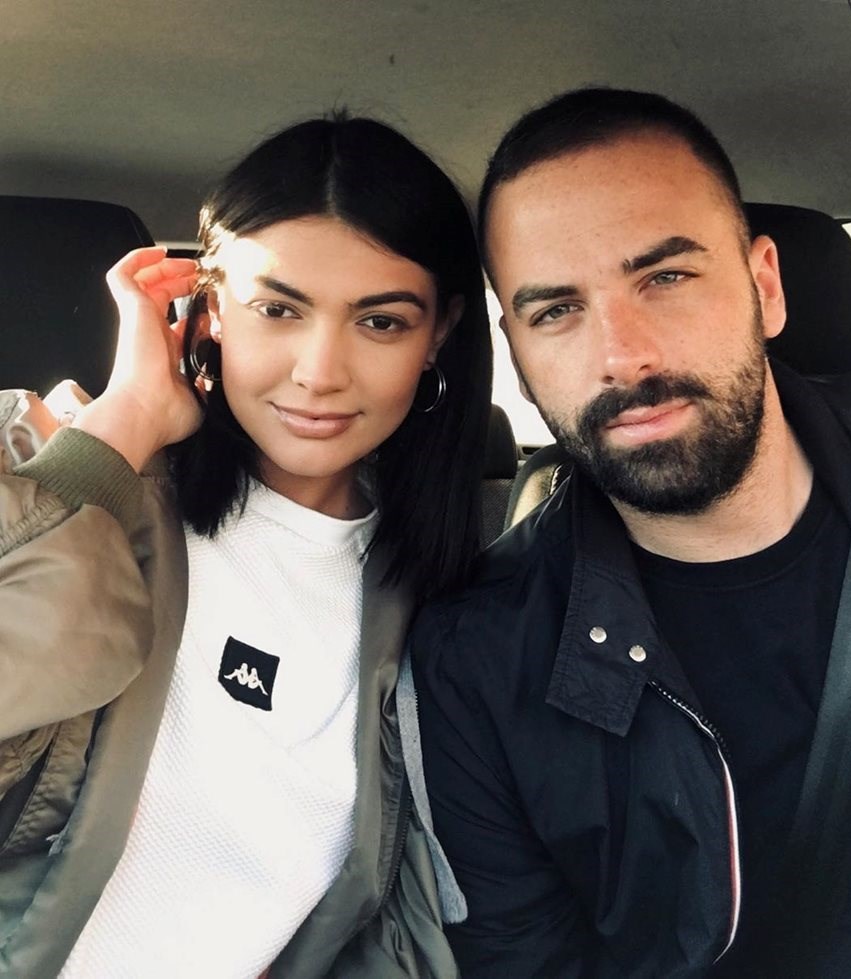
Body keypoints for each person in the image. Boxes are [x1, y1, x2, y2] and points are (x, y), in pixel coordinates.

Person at [0, 112, 491, 978]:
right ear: (211, 304)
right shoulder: (47, 475)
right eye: (277, 309)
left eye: (381, 322)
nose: (319, 371)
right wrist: (126, 423)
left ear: (438, 335)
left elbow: (400, 931)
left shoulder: (448, 605)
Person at [408, 87, 851, 977]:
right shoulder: (479, 662)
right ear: (517, 355)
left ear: (764, 286)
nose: (623, 356)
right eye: (555, 310)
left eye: (664, 277)